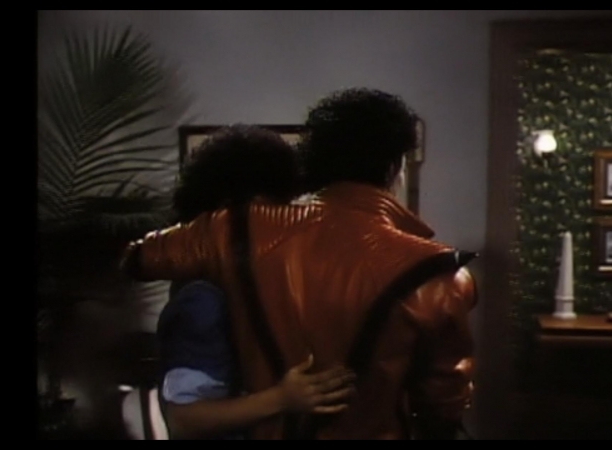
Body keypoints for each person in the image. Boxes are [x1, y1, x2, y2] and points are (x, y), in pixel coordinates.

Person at [122, 88, 477, 440]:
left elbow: (138, 258)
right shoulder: (439, 273)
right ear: (394, 168)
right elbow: (443, 404)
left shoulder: (233, 228)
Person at [155, 124, 355, 440]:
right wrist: (282, 398)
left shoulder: (250, 283)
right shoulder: (203, 298)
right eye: (265, 215)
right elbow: (185, 418)